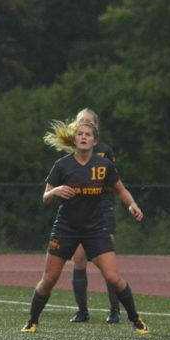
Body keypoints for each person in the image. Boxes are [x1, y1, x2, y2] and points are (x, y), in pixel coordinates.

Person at [21, 119, 150, 336]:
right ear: (74, 139)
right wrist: (55, 191)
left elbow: (121, 189)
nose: (83, 137)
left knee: (112, 277)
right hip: (65, 228)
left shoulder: (104, 165)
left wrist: (132, 204)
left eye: (88, 135)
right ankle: (32, 321)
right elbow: (45, 198)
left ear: (94, 141)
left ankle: (136, 319)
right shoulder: (62, 165)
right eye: (80, 134)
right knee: (49, 278)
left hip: (95, 228)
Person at [48, 108, 123, 324]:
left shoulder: (104, 151)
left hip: (101, 211)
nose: (85, 126)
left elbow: (112, 182)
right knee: (79, 259)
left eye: (90, 122)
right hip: (76, 215)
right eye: (81, 122)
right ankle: (82, 310)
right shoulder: (68, 155)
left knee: (106, 262)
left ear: (96, 128)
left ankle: (115, 309)